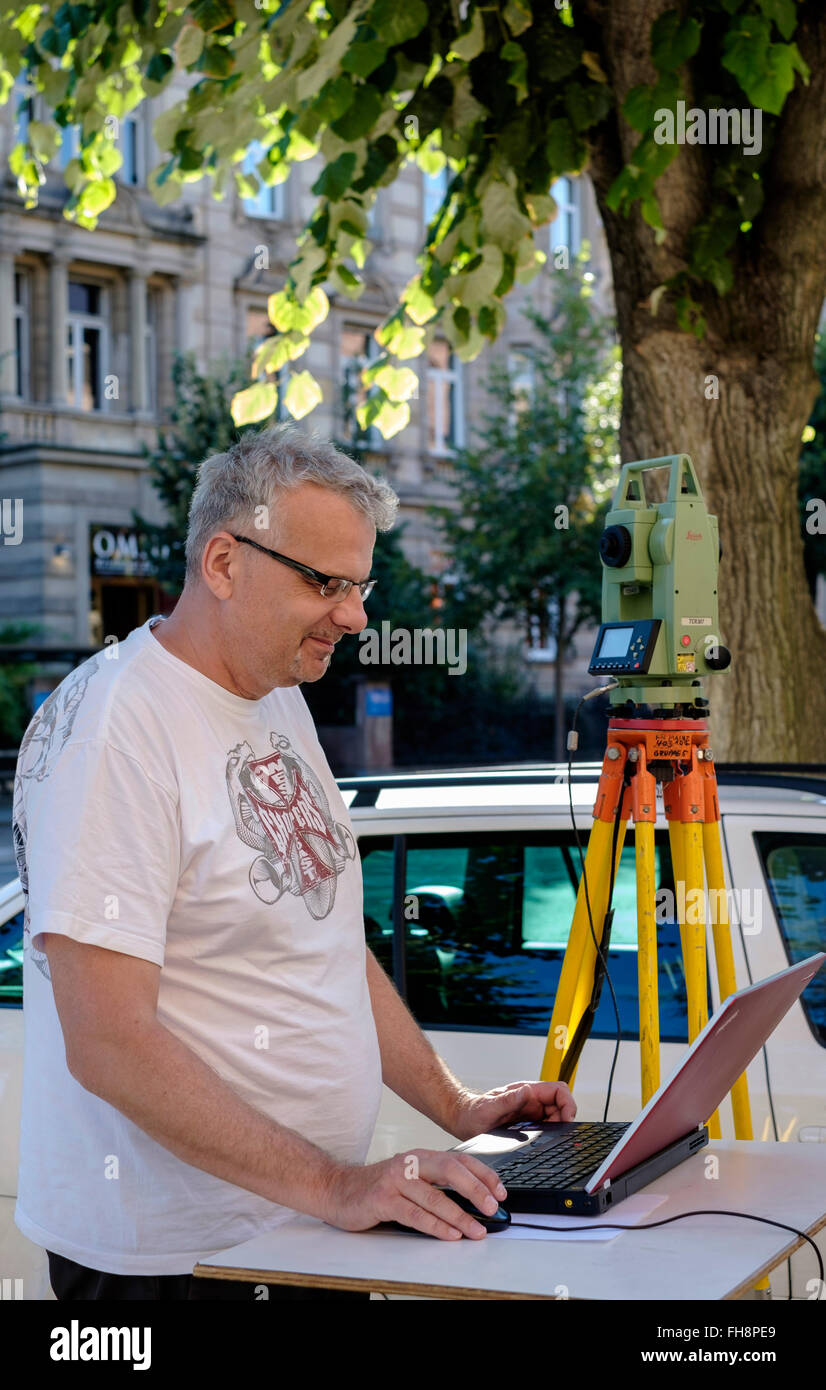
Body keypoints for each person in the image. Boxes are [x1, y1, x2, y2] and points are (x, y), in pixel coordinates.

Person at [12, 424, 576, 1302]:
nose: (354, 616)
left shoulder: (274, 693)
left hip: (290, 1235)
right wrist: (338, 1186)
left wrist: (458, 1108)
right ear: (225, 564)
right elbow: (109, 1042)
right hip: (175, 1264)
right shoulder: (117, 729)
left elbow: (324, 940)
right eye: (326, 583)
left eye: (360, 585)